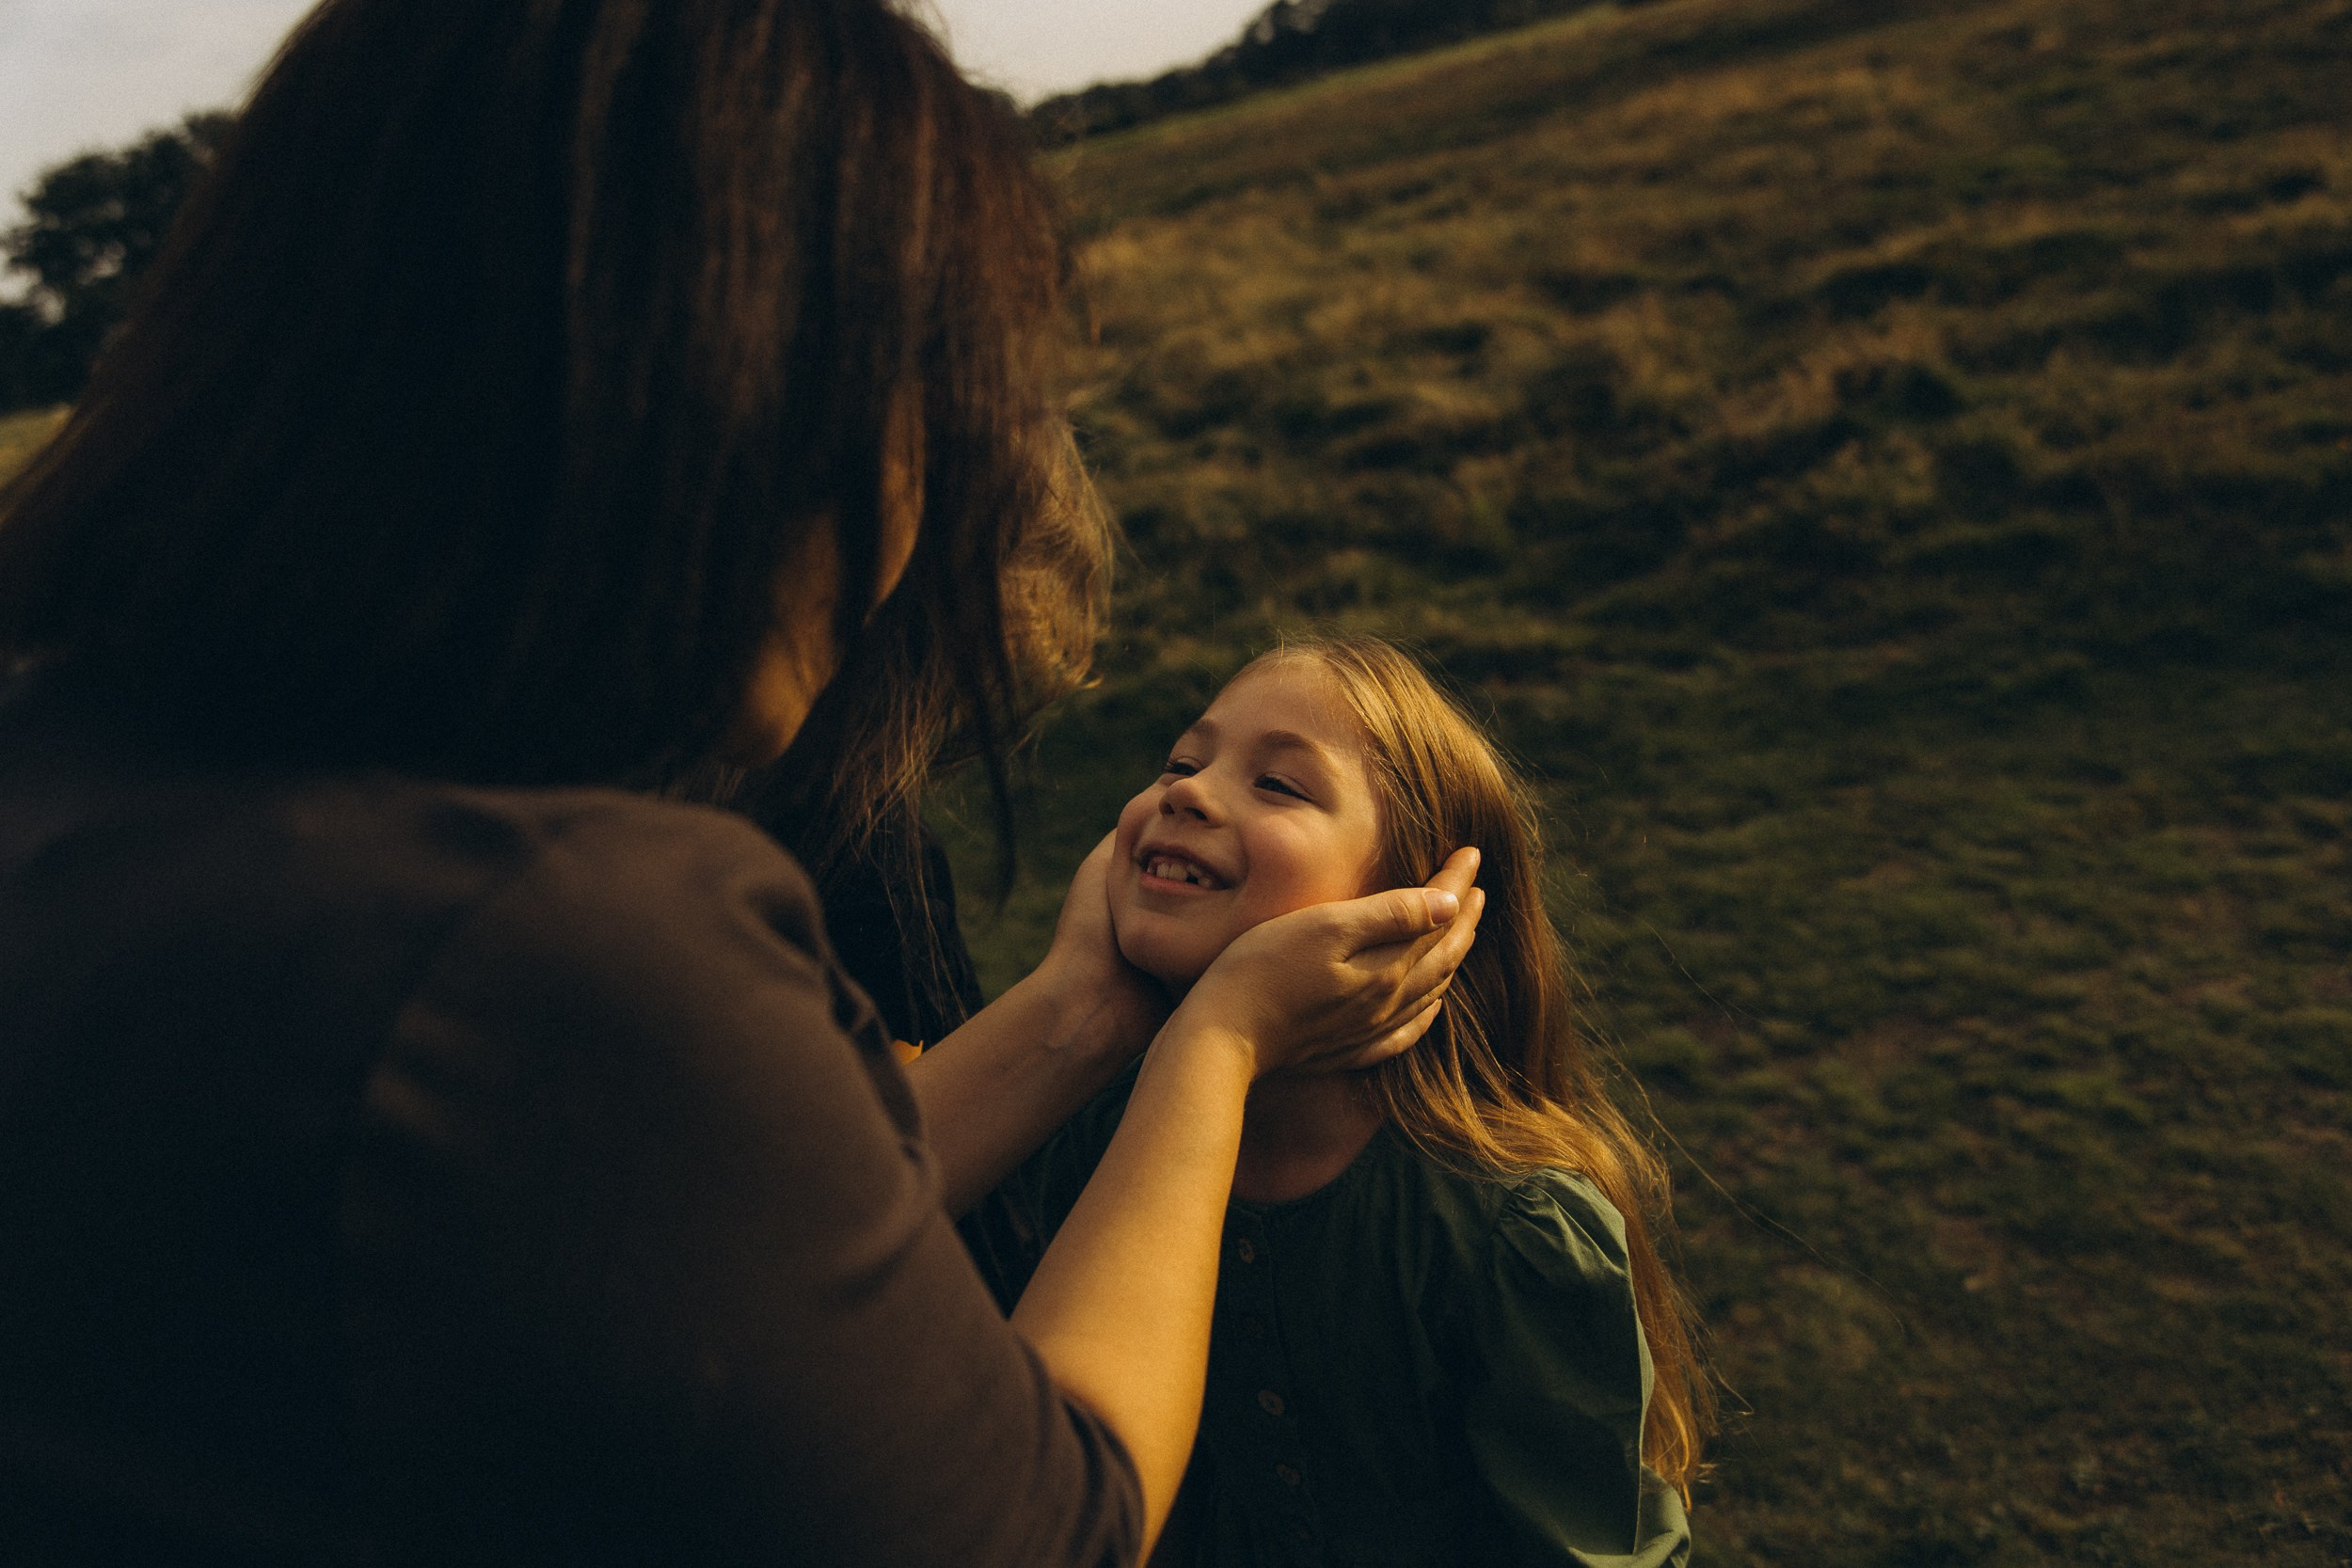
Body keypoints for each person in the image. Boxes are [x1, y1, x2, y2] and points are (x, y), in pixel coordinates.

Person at [0, 2, 1483, 1562]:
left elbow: (736, 1240)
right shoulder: (545, 941)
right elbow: (1053, 1530)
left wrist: (1084, 1009)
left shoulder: (83, 773)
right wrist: (1220, 1045)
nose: (914, 528)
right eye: (919, 416)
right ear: (732, 399)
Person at [996, 637, 1711, 1568]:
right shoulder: (1075, 1138)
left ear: (1412, 903)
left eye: (1277, 783)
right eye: (1180, 761)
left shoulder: (1507, 1230)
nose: (1188, 791)